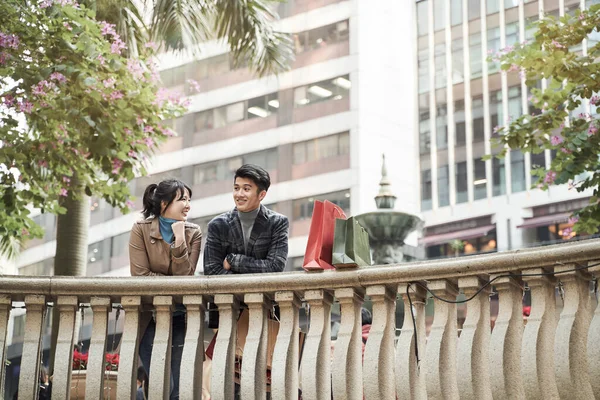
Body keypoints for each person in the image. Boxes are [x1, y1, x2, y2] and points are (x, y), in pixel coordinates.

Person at [129, 179, 202, 400]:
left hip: (180, 316)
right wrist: (171, 283)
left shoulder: (193, 233)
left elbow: (185, 279)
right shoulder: (140, 229)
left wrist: (179, 240)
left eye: (189, 199)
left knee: (180, 388)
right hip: (148, 318)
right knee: (163, 385)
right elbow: (141, 277)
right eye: (182, 199)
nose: (188, 205)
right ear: (163, 204)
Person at [203, 164, 289, 275]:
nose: (239, 194)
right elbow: (211, 270)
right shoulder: (217, 225)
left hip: (264, 292)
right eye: (236, 188)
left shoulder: (277, 223)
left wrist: (233, 260)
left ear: (261, 195)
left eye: (246, 189)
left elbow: (275, 267)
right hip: (228, 292)